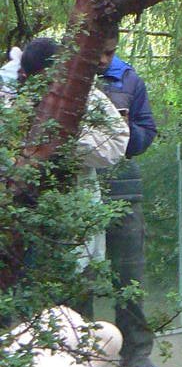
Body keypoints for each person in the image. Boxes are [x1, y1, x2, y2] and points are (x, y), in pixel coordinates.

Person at [18, 36, 130, 297]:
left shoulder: (87, 94)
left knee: (74, 301)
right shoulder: (14, 98)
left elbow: (117, 143)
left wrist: (69, 142)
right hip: (25, 220)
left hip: (75, 213)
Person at [94, 29, 171, 367]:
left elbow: (147, 132)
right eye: (99, 51)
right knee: (76, 280)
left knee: (130, 277)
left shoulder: (129, 78)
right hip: (76, 189)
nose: (103, 60)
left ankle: (136, 359)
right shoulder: (65, 74)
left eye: (109, 52)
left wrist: (126, 132)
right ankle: (77, 365)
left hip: (123, 189)